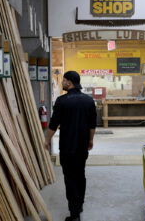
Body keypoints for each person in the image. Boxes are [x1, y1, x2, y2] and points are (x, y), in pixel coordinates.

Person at [44, 71, 97, 221]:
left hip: (67, 147)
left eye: (64, 80)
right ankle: (79, 205)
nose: (62, 83)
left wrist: (47, 140)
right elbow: (92, 125)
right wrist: (90, 140)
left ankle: (74, 214)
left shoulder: (61, 101)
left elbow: (53, 125)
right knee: (80, 175)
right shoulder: (89, 100)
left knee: (70, 178)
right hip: (82, 146)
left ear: (69, 82)